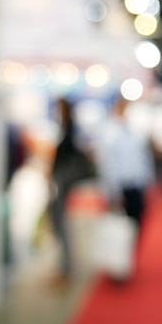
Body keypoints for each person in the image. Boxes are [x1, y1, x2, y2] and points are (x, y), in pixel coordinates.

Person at [48, 97, 94, 286]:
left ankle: (65, 267)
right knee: (60, 223)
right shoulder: (68, 128)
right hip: (63, 180)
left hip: (63, 181)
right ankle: (64, 266)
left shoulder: (68, 129)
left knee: (62, 224)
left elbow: (68, 153)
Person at [95, 96, 155, 233]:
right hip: (121, 186)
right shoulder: (109, 132)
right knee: (122, 227)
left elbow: (143, 157)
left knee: (137, 222)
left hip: (137, 183)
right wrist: (112, 191)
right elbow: (107, 163)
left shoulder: (135, 131)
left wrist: (147, 179)